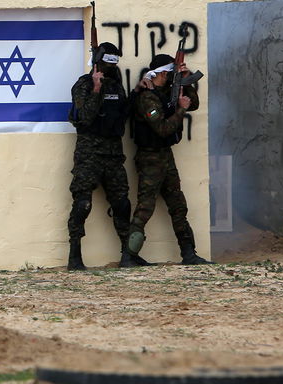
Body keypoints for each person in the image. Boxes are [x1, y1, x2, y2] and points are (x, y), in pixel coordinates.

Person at [123, 52, 211, 266]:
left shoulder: (166, 92)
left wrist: (186, 79)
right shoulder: (147, 97)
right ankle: (129, 256)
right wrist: (180, 108)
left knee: (178, 205)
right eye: (170, 73)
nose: (172, 76)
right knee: (145, 207)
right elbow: (162, 129)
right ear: (161, 73)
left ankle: (189, 254)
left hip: (165, 156)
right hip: (149, 157)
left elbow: (194, 103)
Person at [64, 42, 135, 271]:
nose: (108, 68)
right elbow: (84, 116)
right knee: (82, 204)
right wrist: (95, 88)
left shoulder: (116, 85)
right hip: (89, 154)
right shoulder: (83, 85)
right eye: (105, 63)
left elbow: (123, 114)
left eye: (112, 64)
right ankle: (74, 256)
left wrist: (140, 92)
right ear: (97, 62)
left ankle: (127, 254)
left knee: (122, 204)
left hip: (113, 155)